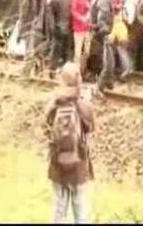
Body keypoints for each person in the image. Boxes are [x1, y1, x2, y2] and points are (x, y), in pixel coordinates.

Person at [45, 62, 94, 224]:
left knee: (59, 208)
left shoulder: (54, 102)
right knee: (80, 208)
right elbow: (90, 127)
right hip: (78, 163)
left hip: (57, 163)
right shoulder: (83, 103)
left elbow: (46, 125)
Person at [71, 0, 98, 76]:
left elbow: (91, 5)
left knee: (87, 50)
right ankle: (76, 72)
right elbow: (73, 10)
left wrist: (89, 10)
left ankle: (83, 69)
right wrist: (81, 18)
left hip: (87, 26)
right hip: (78, 26)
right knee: (78, 51)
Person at [90, 0, 115, 93]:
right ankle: (99, 87)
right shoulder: (104, 1)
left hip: (99, 34)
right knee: (108, 63)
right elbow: (102, 19)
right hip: (104, 34)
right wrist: (106, 33)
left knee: (106, 60)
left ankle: (109, 82)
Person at [49, 0, 74, 71]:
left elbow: (50, 14)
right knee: (67, 52)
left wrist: (53, 27)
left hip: (58, 27)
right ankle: (66, 71)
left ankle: (52, 70)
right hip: (69, 28)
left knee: (56, 51)